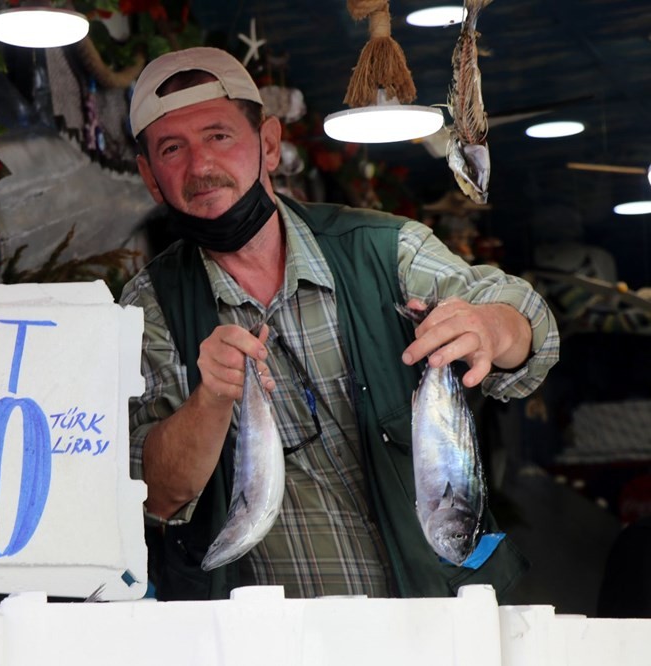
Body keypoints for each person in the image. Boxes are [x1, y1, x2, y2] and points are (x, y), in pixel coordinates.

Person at [119, 47, 560, 601]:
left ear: (270, 145)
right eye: (171, 148)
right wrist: (209, 401)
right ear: (151, 177)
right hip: (259, 644)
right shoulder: (148, 307)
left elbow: (530, 327)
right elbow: (154, 496)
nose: (200, 165)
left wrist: (492, 327)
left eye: (219, 135)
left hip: (430, 626)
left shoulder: (382, 248)